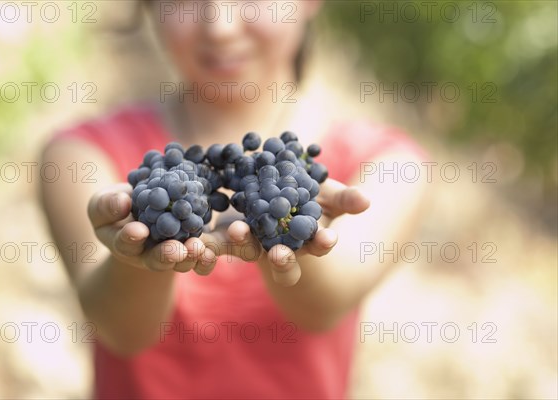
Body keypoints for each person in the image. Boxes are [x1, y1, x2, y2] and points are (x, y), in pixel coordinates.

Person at [40, 1, 427, 398]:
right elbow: (121, 330)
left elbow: (322, 308)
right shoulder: (80, 158)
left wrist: (288, 233)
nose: (219, 26)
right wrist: (139, 250)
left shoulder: (388, 164)